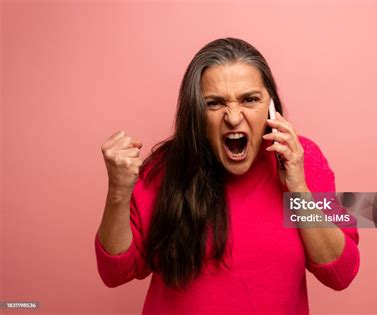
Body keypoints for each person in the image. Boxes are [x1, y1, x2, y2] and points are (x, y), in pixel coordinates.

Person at [95, 37, 360, 315]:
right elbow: (115, 273)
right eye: (214, 103)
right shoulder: (163, 169)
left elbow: (342, 272)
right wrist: (118, 192)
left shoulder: (302, 158)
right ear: (195, 111)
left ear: (271, 105)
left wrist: (297, 188)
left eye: (250, 99)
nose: (233, 117)